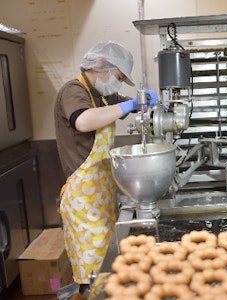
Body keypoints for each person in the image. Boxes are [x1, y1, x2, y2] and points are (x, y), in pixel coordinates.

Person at [54, 40, 157, 296]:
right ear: (103, 67)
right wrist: (128, 106)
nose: (118, 84)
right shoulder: (73, 91)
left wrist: (140, 103)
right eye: (119, 77)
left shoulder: (102, 94)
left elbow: (120, 105)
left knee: (106, 257)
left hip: (101, 192)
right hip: (83, 198)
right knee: (93, 267)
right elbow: (83, 121)